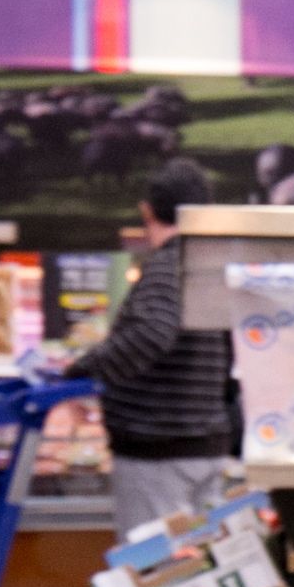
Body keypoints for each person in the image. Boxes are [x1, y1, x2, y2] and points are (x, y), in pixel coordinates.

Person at [68, 156, 239, 537]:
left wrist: (83, 369)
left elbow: (153, 332)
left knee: (156, 580)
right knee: (195, 575)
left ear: (147, 211)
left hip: (160, 453)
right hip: (201, 443)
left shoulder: (167, 267)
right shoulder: (204, 267)